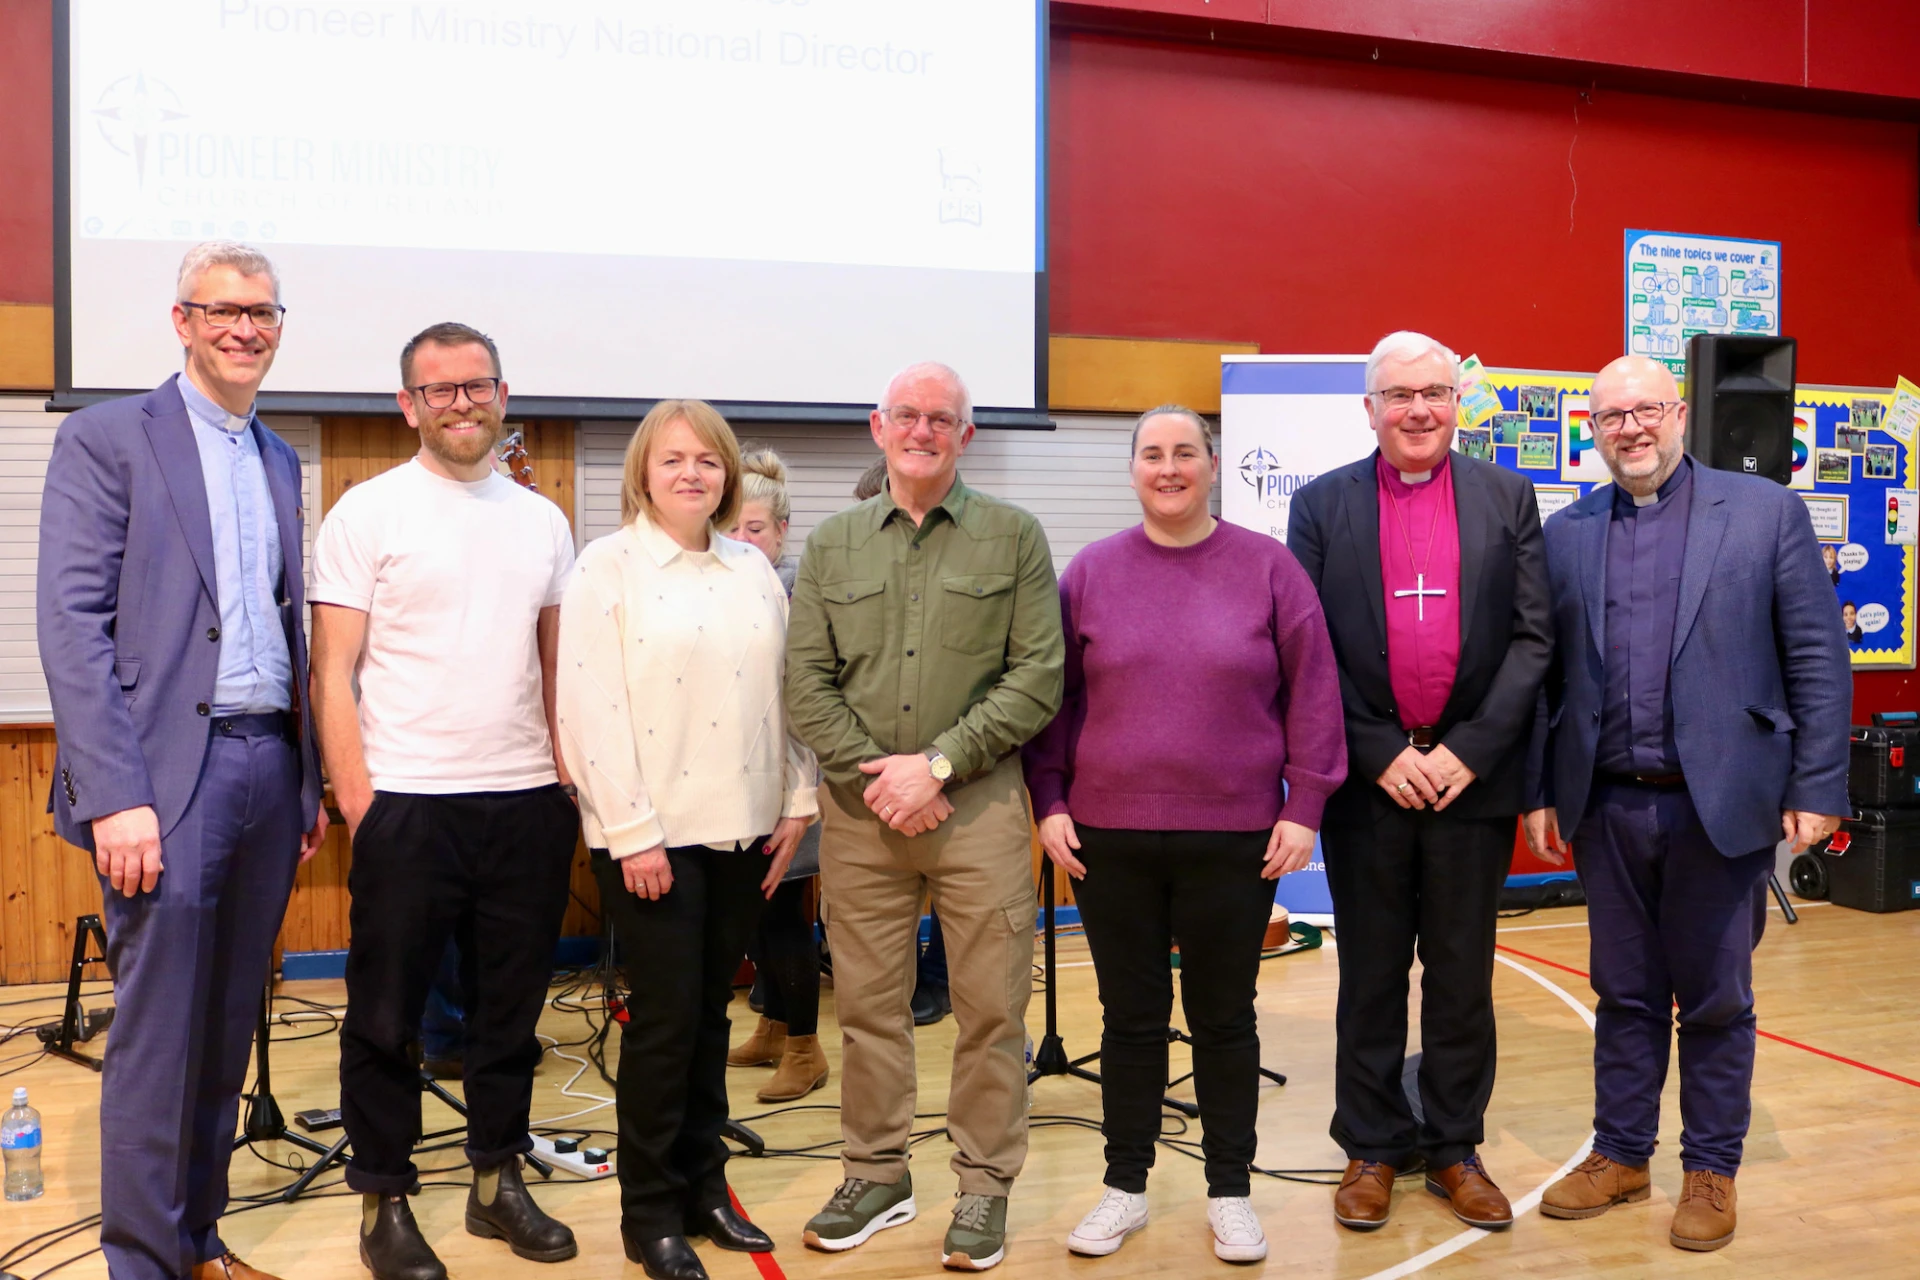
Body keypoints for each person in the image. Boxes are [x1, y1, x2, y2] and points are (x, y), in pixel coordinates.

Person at [37, 241, 325, 1280]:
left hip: (263, 764)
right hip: (163, 782)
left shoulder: (278, 456)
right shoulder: (110, 437)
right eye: (224, 311)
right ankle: (144, 1263)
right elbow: (71, 626)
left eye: (263, 312)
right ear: (182, 320)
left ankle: (196, 1239)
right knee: (160, 1040)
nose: (246, 329)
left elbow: (289, 629)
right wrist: (116, 794)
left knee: (225, 1028)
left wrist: (306, 782)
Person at [1524, 354, 1850, 1252]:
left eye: (1646, 410)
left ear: (1677, 414)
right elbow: (1548, 677)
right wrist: (1542, 790)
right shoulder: (1570, 532)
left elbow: (1818, 657)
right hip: (1608, 807)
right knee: (1623, 991)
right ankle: (1623, 1154)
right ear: (1594, 431)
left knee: (1714, 999)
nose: (1630, 428)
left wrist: (1817, 786)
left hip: (1725, 804)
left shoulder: (1766, 513)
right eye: (1610, 417)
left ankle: (1711, 1167)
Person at [1024, 406, 1347, 1263]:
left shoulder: (1269, 569)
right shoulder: (1090, 573)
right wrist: (1048, 800)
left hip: (1235, 836)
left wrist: (1305, 804)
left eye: (1185, 454)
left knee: (1223, 1018)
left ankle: (1230, 1191)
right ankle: (1123, 1186)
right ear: (1132, 470)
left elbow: (1315, 692)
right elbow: (1055, 702)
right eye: (1151, 455)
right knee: (1130, 1020)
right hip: (1107, 837)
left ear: (1213, 465)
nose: (1168, 469)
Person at [310, 323, 580, 1280]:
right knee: (385, 1017)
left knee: (510, 1014)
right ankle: (385, 1199)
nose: (463, 403)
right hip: (409, 806)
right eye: (442, 390)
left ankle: (496, 1182)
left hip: (525, 804)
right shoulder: (367, 513)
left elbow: (558, 671)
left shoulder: (544, 522)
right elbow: (331, 673)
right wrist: (362, 802)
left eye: (479, 386)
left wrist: (566, 784)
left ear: (503, 393)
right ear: (408, 405)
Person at [786, 361, 1065, 1271]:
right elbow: (805, 685)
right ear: (878, 426)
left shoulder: (1015, 538)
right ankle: (876, 1175)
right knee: (869, 1009)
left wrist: (938, 765)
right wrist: (882, 780)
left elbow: (1038, 676)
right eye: (906, 415)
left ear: (966, 436)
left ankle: (983, 1190)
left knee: (991, 1011)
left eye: (940, 418)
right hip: (864, 820)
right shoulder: (832, 547)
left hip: (978, 811)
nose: (921, 431)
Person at [1286, 331, 1550, 1233]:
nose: (1418, 410)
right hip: (1371, 786)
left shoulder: (1508, 498)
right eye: (1399, 395)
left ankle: (1452, 1146)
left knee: (1462, 976)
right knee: (1369, 973)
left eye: (1434, 393)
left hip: (1473, 782)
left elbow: (1532, 640)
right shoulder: (1322, 506)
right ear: (1370, 408)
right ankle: (1370, 1145)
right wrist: (1378, 751)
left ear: (1456, 403)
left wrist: (1466, 750)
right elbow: (1308, 648)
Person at [558, 404, 815, 1279]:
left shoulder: (752, 568)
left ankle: (707, 1186)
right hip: (651, 838)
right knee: (665, 1027)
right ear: (643, 470)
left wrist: (799, 798)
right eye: (674, 459)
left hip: (744, 828)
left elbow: (787, 692)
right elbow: (589, 712)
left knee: (711, 1018)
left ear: (730, 475)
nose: (693, 474)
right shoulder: (608, 567)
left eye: (709, 460)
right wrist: (631, 834)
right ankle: (650, 1211)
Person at [724, 446, 831, 1103]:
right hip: (739, 779)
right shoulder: (718, 583)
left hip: (796, 776)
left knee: (783, 910)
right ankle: (771, 1024)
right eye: (729, 527)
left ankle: (805, 1047)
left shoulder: (797, 589)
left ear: (782, 531)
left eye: (755, 529)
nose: (740, 540)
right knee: (754, 913)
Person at [847, 456, 952, 1026]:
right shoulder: (840, 559)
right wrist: (887, 777)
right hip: (870, 788)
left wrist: (933, 769)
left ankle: (935, 980)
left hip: (958, 782)